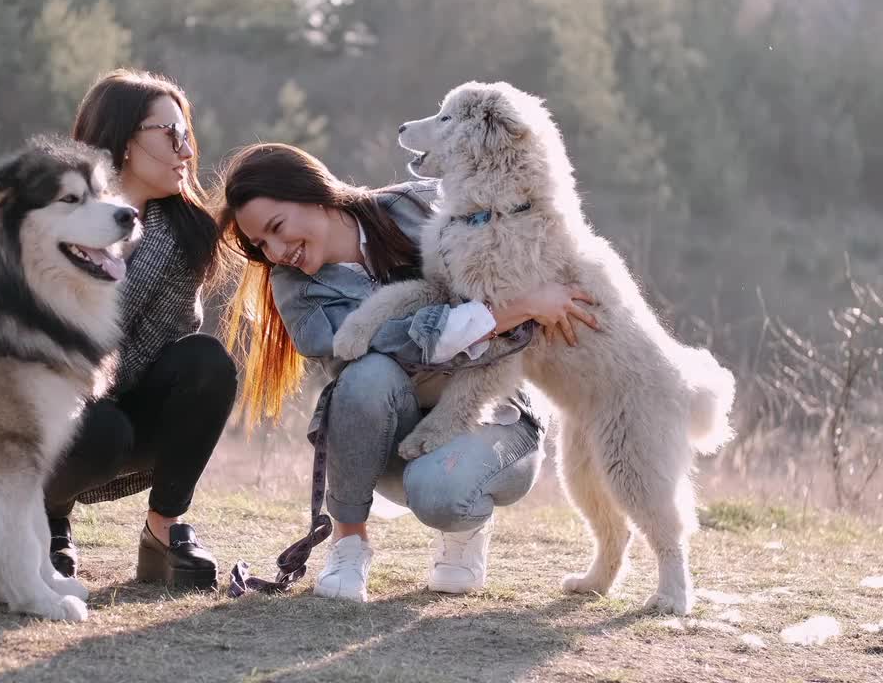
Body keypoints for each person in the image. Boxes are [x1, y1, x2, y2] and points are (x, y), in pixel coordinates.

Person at [218, 143, 598, 601]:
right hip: (394, 443)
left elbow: (528, 231)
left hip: (494, 414)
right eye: (261, 244)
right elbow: (393, 346)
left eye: (277, 228)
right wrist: (511, 310)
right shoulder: (295, 289)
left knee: (440, 493)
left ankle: (464, 529)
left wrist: (547, 293)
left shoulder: (424, 205)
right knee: (366, 372)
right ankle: (349, 543)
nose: (277, 251)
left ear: (313, 194)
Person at [43, 69, 237, 591]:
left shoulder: (185, 237)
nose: (186, 150)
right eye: (169, 135)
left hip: (120, 405)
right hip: (39, 418)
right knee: (98, 427)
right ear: (125, 141)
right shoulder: (54, 220)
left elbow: (165, 349)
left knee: (206, 362)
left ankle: (164, 531)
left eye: (187, 135)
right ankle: (45, 518)